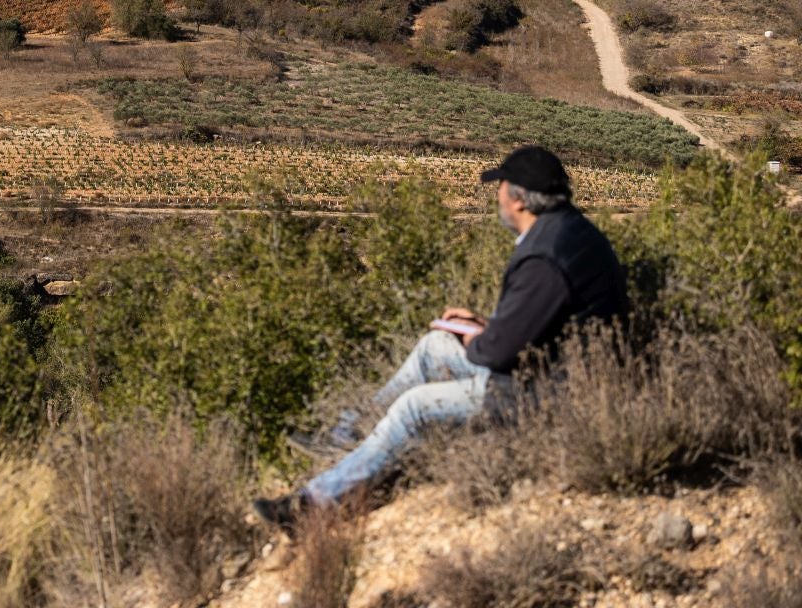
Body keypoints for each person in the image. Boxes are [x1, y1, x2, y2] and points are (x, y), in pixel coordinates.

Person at [251, 145, 628, 531]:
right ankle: (347, 434)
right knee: (434, 346)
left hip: (540, 393)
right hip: (550, 372)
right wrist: (483, 325)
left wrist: (476, 340)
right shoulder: (571, 232)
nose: (496, 195)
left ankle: (310, 508)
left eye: (500, 186)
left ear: (517, 198)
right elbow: (542, 323)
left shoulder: (544, 256)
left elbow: (499, 353)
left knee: (414, 406)